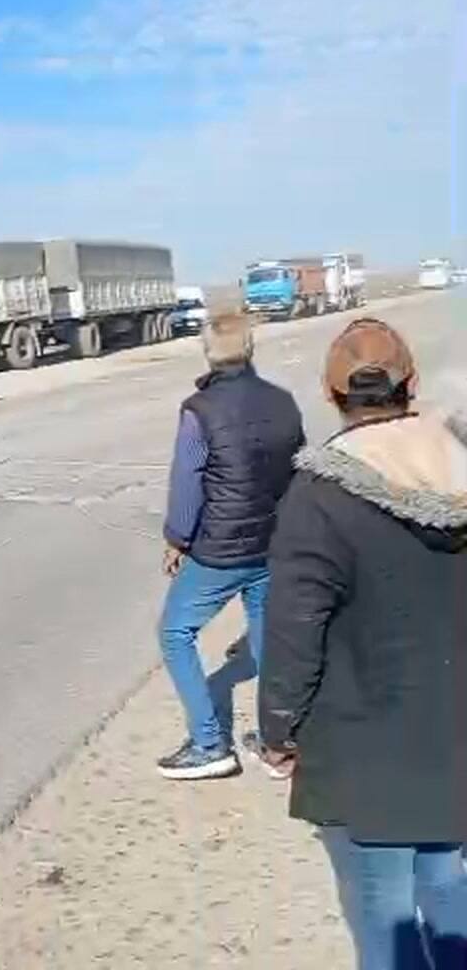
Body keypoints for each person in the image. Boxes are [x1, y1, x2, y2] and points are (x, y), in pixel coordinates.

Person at [258, 318, 467, 969]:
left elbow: (293, 629)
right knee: (450, 889)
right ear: (413, 384)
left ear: (330, 393)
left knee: (382, 910)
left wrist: (278, 730)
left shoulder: (319, 495)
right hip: (457, 738)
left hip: (362, 750)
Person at [157, 311, 304, 779]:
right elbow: (298, 470)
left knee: (175, 632)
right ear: (251, 348)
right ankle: (274, 741)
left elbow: (188, 482)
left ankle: (208, 744)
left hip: (220, 549)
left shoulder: (199, 411)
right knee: (264, 633)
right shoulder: (284, 403)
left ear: (207, 352)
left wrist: (178, 539)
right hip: (271, 542)